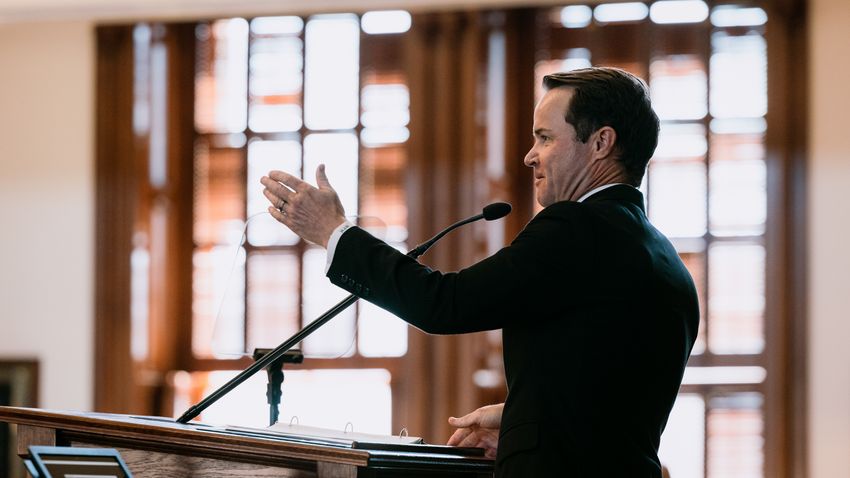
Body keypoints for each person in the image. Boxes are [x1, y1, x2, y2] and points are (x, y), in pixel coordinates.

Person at [260, 67, 699, 477]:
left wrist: (334, 233)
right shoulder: (664, 258)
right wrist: (522, 417)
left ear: (601, 143)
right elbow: (609, 396)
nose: (530, 156)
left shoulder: (576, 228)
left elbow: (444, 304)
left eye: (545, 138)